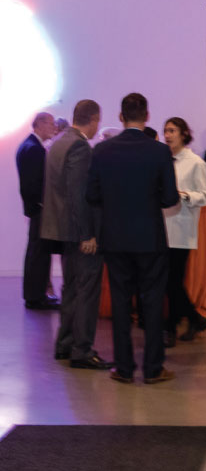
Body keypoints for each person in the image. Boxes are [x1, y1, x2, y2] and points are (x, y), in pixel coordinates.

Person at [86, 92, 180, 384]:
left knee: (121, 303)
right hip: (150, 239)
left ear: (120, 117)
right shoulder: (159, 152)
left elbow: (91, 195)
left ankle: (124, 368)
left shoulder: (102, 151)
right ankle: (153, 368)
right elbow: (169, 199)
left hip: (115, 239)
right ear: (147, 117)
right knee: (152, 304)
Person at [40, 99, 110, 369]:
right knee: (86, 292)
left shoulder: (58, 142)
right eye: (98, 122)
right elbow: (78, 194)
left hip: (62, 231)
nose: (97, 127)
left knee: (70, 289)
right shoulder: (80, 146)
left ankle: (65, 344)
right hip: (77, 232)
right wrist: (87, 235)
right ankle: (82, 350)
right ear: (93, 119)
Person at [162, 117, 206, 346]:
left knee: (172, 281)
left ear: (183, 133)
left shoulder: (196, 163)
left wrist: (185, 196)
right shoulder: (162, 159)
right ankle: (193, 319)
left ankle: (174, 326)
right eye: (166, 131)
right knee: (168, 280)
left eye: (172, 130)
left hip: (182, 228)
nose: (168, 135)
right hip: (162, 227)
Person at [16, 111, 59, 310]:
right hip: (40, 210)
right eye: (50, 123)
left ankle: (35, 294)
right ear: (40, 124)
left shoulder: (27, 146)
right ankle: (36, 297)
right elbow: (33, 185)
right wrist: (41, 205)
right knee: (39, 254)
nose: (54, 127)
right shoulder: (35, 149)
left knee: (36, 253)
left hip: (34, 210)